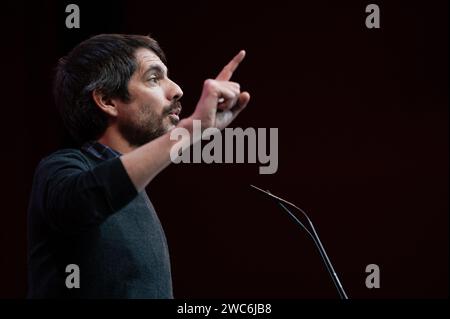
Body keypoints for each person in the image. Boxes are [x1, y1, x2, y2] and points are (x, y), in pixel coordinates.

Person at [27, 34, 250, 298]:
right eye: (154, 78)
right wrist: (191, 130)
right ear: (108, 101)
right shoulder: (61, 167)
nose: (177, 89)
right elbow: (82, 200)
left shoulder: (137, 194)